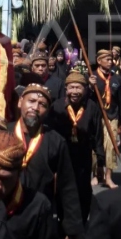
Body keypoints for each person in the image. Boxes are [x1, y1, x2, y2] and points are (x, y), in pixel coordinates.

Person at [10, 84, 83, 239]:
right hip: (6, 217)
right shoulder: (4, 135)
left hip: (41, 218)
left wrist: (71, 226)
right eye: (31, 101)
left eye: (42, 104)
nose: (35, 107)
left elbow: (67, 185)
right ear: (20, 102)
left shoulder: (55, 141)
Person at [48, 70, 105, 224]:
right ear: (66, 89)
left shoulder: (92, 107)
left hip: (83, 155)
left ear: (85, 89)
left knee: (83, 190)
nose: (74, 92)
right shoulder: (57, 106)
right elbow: (50, 134)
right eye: (71, 87)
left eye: (78, 88)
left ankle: (82, 221)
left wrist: (100, 160)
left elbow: (98, 134)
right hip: (62, 156)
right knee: (63, 190)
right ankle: (63, 221)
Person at [89, 49, 121, 189]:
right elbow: (86, 98)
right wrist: (89, 86)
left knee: (110, 147)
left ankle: (109, 177)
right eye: (107, 59)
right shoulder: (92, 77)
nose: (111, 62)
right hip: (96, 117)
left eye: (111, 60)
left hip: (112, 116)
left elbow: (120, 101)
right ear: (99, 61)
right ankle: (98, 174)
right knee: (96, 147)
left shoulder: (116, 79)